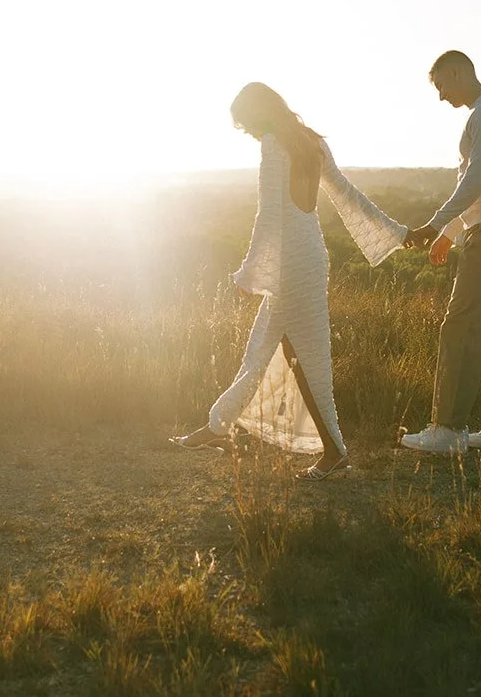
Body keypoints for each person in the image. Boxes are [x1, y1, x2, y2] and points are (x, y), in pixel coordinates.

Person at [172, 82, 408, 479]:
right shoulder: (311, 141)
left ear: (258, 113)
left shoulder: (272, 145)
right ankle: (216, 426)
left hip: (289, 266)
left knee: (307, 364)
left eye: (244, 123)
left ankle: (334, 452)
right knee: (263, 352)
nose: (245, 131)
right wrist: (396, 232)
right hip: (311, 257)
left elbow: (269, 217)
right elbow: (347, 194)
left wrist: (250, 272)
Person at [401, 51, 481, 454]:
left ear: (458, 72)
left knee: (461, 325)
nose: (440, 96)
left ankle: (447, 429)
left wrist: (437, 224)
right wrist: (452, 233)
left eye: (441, 84)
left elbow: (476, 180)